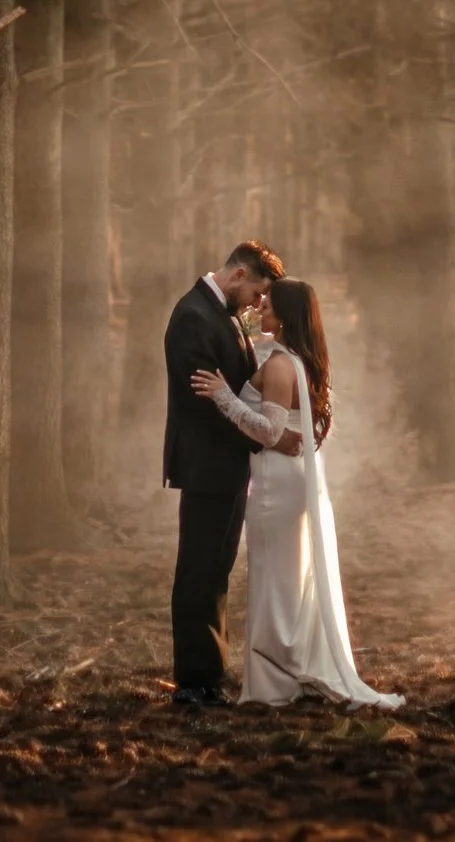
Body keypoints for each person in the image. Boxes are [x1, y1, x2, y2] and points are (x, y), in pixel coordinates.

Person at [190, 277, 402, 710]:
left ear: (284, 316)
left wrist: (223, 395)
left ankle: (275, 678)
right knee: (289, 577)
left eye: (266, 305)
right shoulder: (295, 358)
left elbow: (268, 431)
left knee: (274, 578)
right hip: (288, 478)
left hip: (274, 484)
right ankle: (289, 666)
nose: (259, 309)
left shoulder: (281, 366)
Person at [161, 240, 299, 706]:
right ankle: (193, 683)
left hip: (227, 464)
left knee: (216, 569)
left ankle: (211, 673)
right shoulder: (192, 319)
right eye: (258, 294)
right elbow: (208, 407)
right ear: (239, 276)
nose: (259, 305)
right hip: (206, 465)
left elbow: (237, 389)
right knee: (199, 570)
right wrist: (270, 438)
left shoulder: (219, 315)